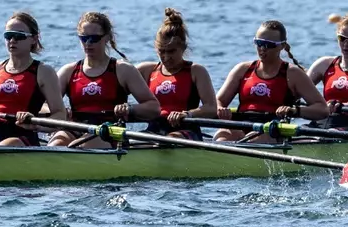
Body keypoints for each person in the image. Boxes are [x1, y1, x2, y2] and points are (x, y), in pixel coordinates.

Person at [50, 10, 160, 148]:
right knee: (56, 143)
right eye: (84, 38)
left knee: (83, 145)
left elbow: (154, 107)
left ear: (107, 37)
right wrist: (59, 110)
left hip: (110, 131)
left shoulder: (123, 70)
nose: (88, 43)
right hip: (76, 128)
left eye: (94, 39)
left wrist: (130, 109)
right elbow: (44, 105)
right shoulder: (69, 71)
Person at [213, 20, 330, 143]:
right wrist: (220, 108)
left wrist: (295, 111)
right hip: (241, 124)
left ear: (282, 46)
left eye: (269, 45)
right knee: (222, 136)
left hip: (273, 129)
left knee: (254, 139)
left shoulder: (293, 74)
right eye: (259, 43)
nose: (262, 49)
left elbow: (322, 109)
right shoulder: (243, 69)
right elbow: (218, 100)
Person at [0, 11, 67, 147]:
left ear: (33, 39)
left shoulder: (44, 72)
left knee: (2, 148)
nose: (12, 40)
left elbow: (60, 115)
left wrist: (35, 124)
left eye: (19, 36)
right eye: (8, 36)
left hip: (23, 135)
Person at [137, 8, 217, 136]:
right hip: (154, 130)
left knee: (169, 139)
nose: (166, 57)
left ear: (183, 47)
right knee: (128, 143)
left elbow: (211, 108)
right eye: (162, 51)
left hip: (186, 131)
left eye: (171, 51)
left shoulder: (196, 71)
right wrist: (125, 108)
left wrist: (187, 114)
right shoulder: (146, 70)